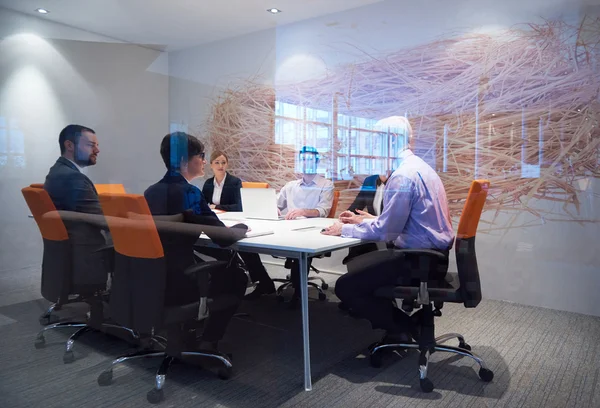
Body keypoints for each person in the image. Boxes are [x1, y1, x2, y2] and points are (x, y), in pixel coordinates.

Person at [322, 116, 454, 341]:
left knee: (345, 286)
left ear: (391, 139)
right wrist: (362, 222)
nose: (373, 149)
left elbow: (386, 232)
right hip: (432, 257)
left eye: (375, 141)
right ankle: (404, 323)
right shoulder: (420, 167)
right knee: (363, 267)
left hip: (418, 260)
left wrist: (343, 230)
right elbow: (396, 223)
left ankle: (405, 326)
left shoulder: (402, 176)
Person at [144, 132, 248, 350]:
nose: (203, 160)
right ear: (184, 161)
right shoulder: (189, 193)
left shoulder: (150, 192)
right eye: (201, 155)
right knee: (237, 275)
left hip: (152, 278)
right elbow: (223, 239)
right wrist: (242, 228)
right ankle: (208, 343)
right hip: (181, 283)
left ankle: (186, 332)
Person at [245, 146, 334, 304]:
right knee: (246, 246)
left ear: (317, 162)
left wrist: (302, 211)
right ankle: (264, 282)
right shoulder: (291, 185)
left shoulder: (325, 184)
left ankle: (299, 295)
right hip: (288, 228)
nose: (306, 163)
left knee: (301, 247)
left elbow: (323, 211)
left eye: (310, 159)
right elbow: (276, 205)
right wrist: (272, 209)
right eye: (303, 160)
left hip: (310, 232)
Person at [44, 124, 110, 287]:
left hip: (70, 248)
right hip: (87, 249)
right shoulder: (73, 178)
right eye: (91, 145)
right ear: (69, 146)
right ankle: (126, 304)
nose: (97, 150)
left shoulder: (57, 171)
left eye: (97, 145)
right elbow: (103, 220)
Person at [202, 150, 275, 297]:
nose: (221, 165)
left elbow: (239, 206)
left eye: (223, 162)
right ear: (211, 165)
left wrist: (216, 207)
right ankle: (237, 279)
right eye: (217, 162)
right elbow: (203, 204)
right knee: (223, 248)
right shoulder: (208, 184)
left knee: (243, 248)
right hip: (217, 220)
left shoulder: (234, 182)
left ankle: (260, 281)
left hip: (234, 220)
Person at [341, 170, 393, 264]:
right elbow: (356, 207)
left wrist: (368, 219)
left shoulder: (398, 181)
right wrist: (346, 217)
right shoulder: (370, 180)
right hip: (373, 232)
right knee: (355, 234)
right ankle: (356, 267)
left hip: (391, 233)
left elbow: (394, 220)